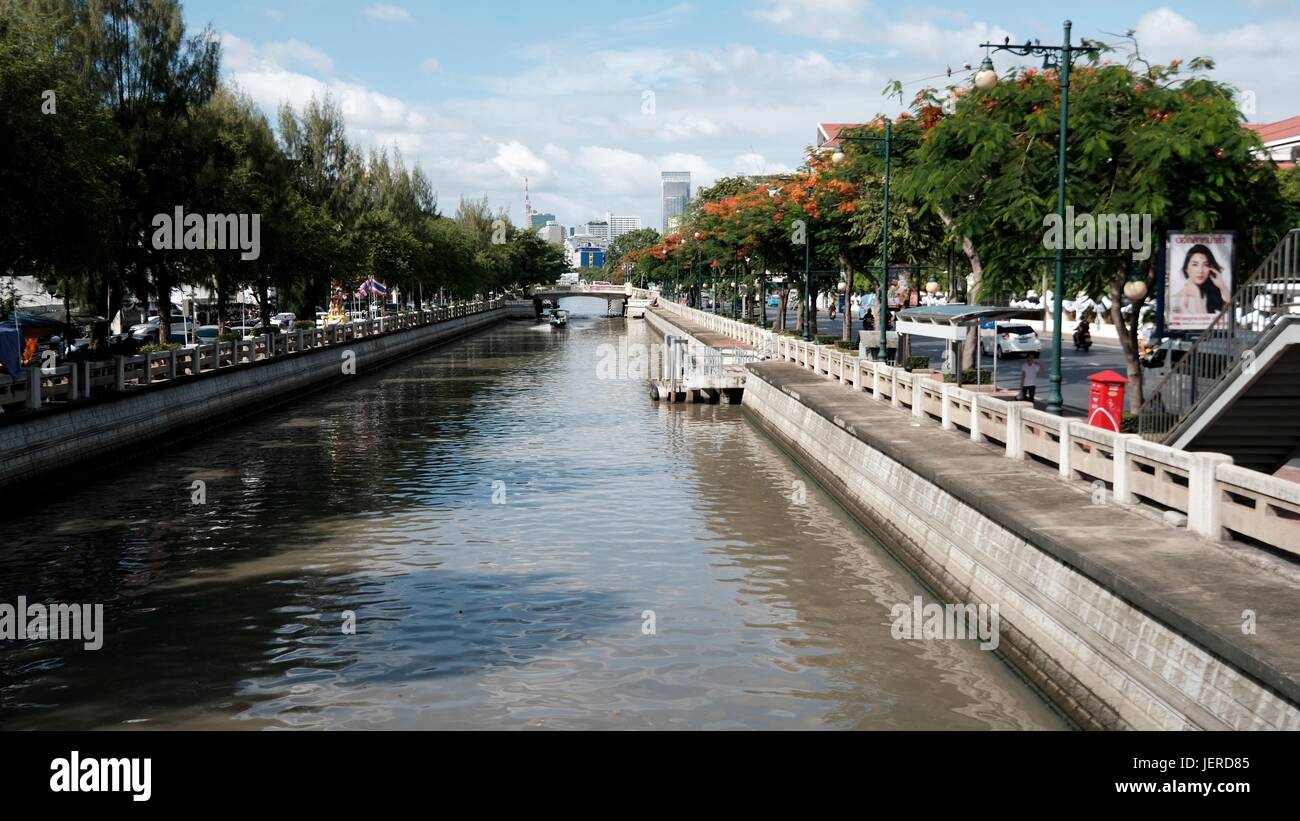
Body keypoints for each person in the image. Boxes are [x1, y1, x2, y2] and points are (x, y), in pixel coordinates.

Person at [1172, 244, 1229, 317]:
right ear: (1186, 269)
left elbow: (1229, 311)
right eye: (1195, 264)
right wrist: (1196, 296)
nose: (1200, 270)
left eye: (1205, 265)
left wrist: (1222, 286)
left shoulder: (1210, 293)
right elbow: (1202, 322)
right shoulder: (1176, 299)